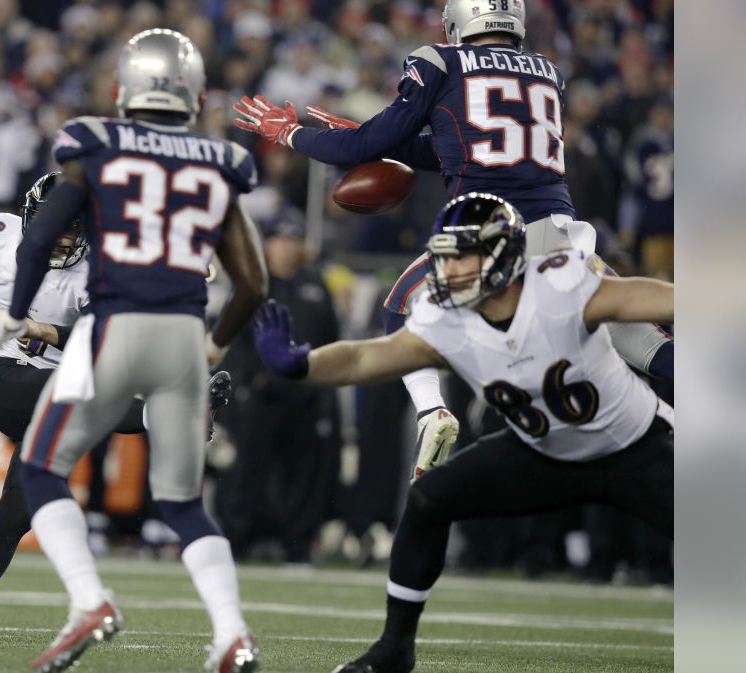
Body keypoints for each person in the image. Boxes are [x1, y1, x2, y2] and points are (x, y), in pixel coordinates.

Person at [232, 0, 674, 480]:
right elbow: (457, 145)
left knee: (399, 304)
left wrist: (293, 134)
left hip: (486, 231)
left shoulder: (440, 60)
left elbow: (362, 151)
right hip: (560, 234)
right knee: (633, 335)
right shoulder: (548, 70)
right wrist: (371, 136)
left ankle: (432, 413)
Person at [252, 193, 673, 673]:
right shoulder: (445, 315)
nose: (447, 269)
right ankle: (393, 648)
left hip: (632, 446)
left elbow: (661, 297)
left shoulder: (560, 285)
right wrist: (303, 365)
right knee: (430, 498)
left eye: (461, 255)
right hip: (539, 451)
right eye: (444, 255)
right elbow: (367, 358)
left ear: (502, 253)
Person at [0, 29, 268, 673]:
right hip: (182, 336)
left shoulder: (96, 143)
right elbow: (253, 284)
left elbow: (38, 242)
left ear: (125, 88)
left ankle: (89, 600)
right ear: (194, 93)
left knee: (41, 466)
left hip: (110, 326)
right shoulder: (218, 158)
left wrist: (17, 311)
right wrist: (216, 345)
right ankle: (231, 631)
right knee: (181, 501)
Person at [0, 172, 233, 635]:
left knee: (15, 515)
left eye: (73, 226)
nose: (64, 237)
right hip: (11, 383)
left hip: (66, 394)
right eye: (56, 224)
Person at [217, 217, 341, 564]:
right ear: (267, 243)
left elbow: (332, 339)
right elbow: (231, 335)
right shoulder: (253, 282)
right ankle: (237, 541)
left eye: (293, 239)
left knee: (303, 473)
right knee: (246, 471)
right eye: (280, 239)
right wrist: (245, 381)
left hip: (305, 393)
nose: (286, 246)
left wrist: (323, 385)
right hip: (260, 395)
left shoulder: (315, 284)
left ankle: (297, 545)